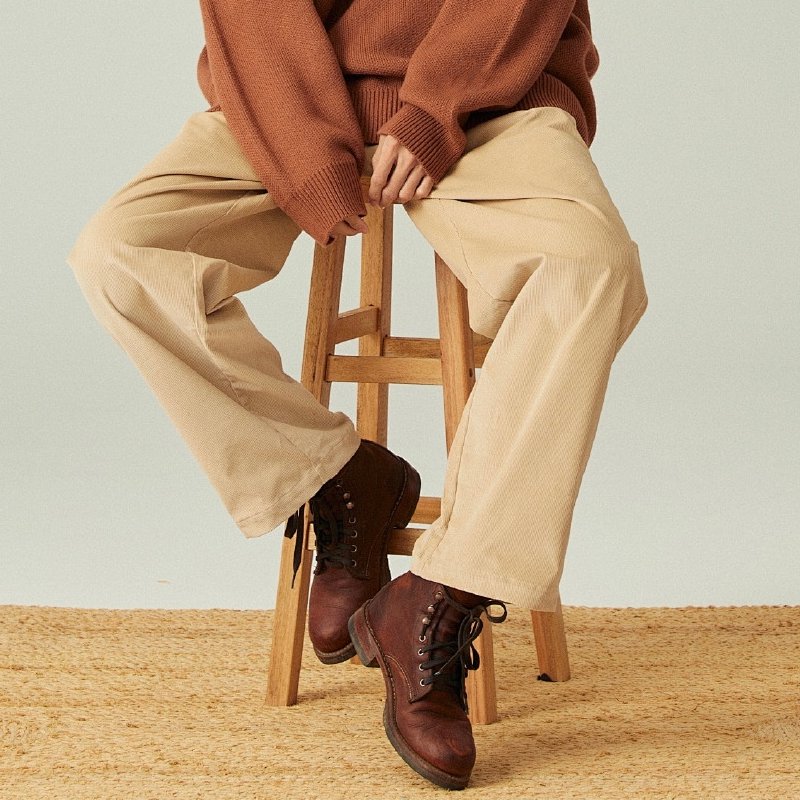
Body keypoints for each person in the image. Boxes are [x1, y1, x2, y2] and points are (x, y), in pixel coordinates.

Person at [66, 0, 649, 790]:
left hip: (494, 100)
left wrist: (435, 110)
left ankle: (442, 597)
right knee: (121, 254)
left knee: (590, 269)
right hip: (284, 104)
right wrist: (305, 148)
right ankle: (337, 477)